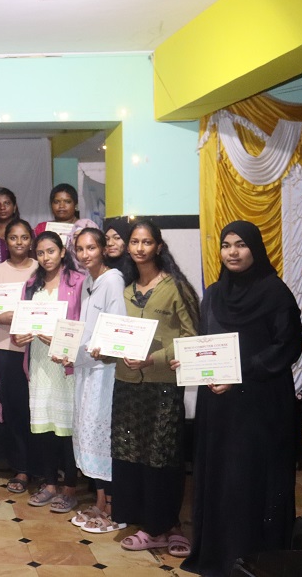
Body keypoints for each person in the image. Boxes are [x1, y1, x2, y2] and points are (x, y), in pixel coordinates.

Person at [180, 222, 302, 576]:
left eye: (241, 245)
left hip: (260, 404)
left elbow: (287, 346)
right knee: (222, 477)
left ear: (255, 249)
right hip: (219, 405)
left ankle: (255, 558)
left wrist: (241, 373)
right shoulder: (214, 294)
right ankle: (219, 556)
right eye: (226, 245)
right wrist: (193, 361)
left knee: (250, 478)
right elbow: (207, 342)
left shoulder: (275, 293)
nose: (232, 252)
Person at [108, 219, 199, 558]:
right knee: (131, 454)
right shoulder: (124, 288)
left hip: (162, 385)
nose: (140, 248)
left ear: (158, 246)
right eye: (134, 242)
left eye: (146, 242)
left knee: (163, 456)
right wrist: (104, 348)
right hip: (126, 384)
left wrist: (153, 358)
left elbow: (192, 337)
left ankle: (165, 525)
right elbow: (113, 332)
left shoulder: (176, 287)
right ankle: (151, 525)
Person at [12, 232, 84, 514]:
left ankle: (70, 488)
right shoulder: (31, 285)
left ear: (62, 252)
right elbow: (20, 326)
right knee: (43, 426)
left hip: (65, 364)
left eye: (51, 251)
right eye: (40, 253)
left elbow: (82, 325)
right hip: (40, 362)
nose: (46, 257)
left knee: (66, 427)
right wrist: (19, 337)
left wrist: (61, 339)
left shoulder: (78, 282)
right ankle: (50, 484)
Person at [70, 228, 127, 533]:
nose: (85, 254)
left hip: (105, 371)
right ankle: (100, 501)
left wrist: (99, 350)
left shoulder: (113, 279)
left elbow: (116, 326)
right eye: (80, 249)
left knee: (103, 434)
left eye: (91, 247)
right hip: (86, 367)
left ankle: (114, 507)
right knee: (88, 432)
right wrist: (69, 350)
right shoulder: (88, 282)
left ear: (103, 249)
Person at [0, 219, 38, 494]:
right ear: (6, 242)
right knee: (15, 409)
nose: (19, 242)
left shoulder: (41, 267)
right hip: (5, 349)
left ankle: (46, 468)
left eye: (24, 237)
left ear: (31, 240)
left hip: (38, 348)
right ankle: (22, 468)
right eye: (13, 237)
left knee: (39, 408)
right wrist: (1, 317)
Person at [34, 184, 98, 266]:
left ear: (75, 205)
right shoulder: (42, 228)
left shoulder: (85, 226)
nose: (61, 206)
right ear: (51, 205)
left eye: (67, 202)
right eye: (56, 202)